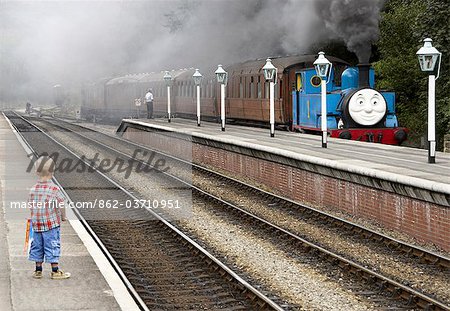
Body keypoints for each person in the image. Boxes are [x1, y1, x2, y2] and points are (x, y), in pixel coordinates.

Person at [28, 156, 70, 279]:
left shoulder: (33, 189)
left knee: (37, 246)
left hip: (37, 225)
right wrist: (63, 216)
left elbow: (31, 205)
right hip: (51, 225)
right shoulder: (54, 189)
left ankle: (38, 270)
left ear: (36, 172)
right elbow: (61, 204)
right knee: (52, 245)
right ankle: (55, 271)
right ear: (52, 172)